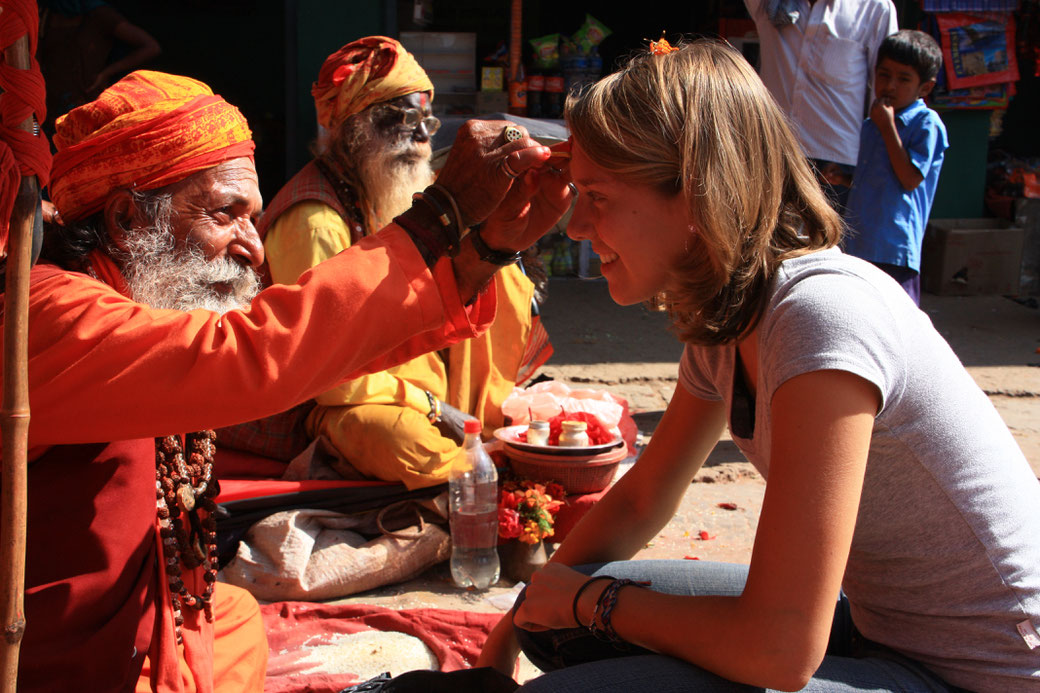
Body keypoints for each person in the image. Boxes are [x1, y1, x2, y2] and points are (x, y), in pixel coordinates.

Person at [477, 40, 1040, 691]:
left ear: (694, 194)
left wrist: (591, 603)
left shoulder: (819, 314)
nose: (575, 226)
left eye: (598, 196)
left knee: (572, 638)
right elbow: (639, 498)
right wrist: (517, 623)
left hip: (984, 674)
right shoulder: (727, 315)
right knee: (553, 613)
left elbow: (780, 648)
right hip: (886, 629)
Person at [7, 69, 571, 691]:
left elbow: (304, 352)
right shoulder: (42, 314)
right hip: (59, 664)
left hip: (157, 623)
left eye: (252, 217)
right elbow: (249, 354)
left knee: (235, 617)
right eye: (227, 214)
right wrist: (443, 216)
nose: (254, 248)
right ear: (126, 220)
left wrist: (481, 253)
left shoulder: (131, 298)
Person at [249, 37, 550, 487]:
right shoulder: (313, 220)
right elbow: (326, 377)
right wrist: (428, 405)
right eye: (407, 119)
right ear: (357, 128)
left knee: (496, 277)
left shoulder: (391, 184)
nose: (425, 135)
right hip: (331, 403)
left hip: (412, 382)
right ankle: (473, 472)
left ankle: (485, 427)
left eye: (426, 120)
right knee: (402, 442)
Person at [742, 0, 897, 211]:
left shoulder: (874, 8)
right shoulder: (771, 4)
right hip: (772, 153)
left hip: (834, 166)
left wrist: (871, 167)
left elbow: (885, 90)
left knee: (827, 243)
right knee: (763, 241)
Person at [842, 30, 948, 306]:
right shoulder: (871, 123)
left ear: (924, 88)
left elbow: (910, 179)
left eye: (903, 79)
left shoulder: (926, 123)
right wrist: (841, 177)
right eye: (884, 75)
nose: (890, 85)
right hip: (859, 241)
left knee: (897, 319)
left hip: (893, 246)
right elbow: (870, 177)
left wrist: (888, 127)